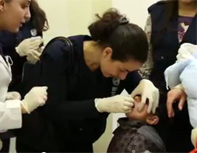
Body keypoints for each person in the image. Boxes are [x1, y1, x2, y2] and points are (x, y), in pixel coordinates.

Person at [16, 8, 159, 152]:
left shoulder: (120, 65)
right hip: (46, 143)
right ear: (107, 53)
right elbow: (52, 108)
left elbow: (136, 83)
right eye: (123, 70)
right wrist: (99, 105)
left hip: (81, 143)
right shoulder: (60, 54)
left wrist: (145, 83)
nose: (123, 77)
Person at [0, 0, 48, 153]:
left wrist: (1, 98)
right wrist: (21, 107)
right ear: (1, 4)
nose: (28, 15)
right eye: (23, 6)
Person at [140, 0, 197, 151]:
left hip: (193, 108)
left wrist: (184, 87)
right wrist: (143, 89)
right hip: (158, 104)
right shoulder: (157, 13)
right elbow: (145, 62)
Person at [0, 0, 49, 90]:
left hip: (28, 82)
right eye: (23, 6)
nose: (27, 15)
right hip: (2, 86)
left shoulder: (35, 15)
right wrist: (16, 53)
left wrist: (39, 56)